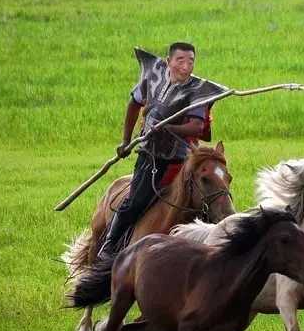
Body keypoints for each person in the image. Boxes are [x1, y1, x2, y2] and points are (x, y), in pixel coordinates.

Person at [97, 42, 226, 258]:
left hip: (182, 160)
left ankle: (218, 246)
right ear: (169, 61)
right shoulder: (154, 76)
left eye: (191, 61)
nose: (186, 66)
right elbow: (133, 104)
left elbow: (196, 126)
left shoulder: (198, 90)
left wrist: (167, 127)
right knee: (136, 201)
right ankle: (109, 245)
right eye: (180, 61)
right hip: (152, 159)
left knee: (207, 196)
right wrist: (126, 141)